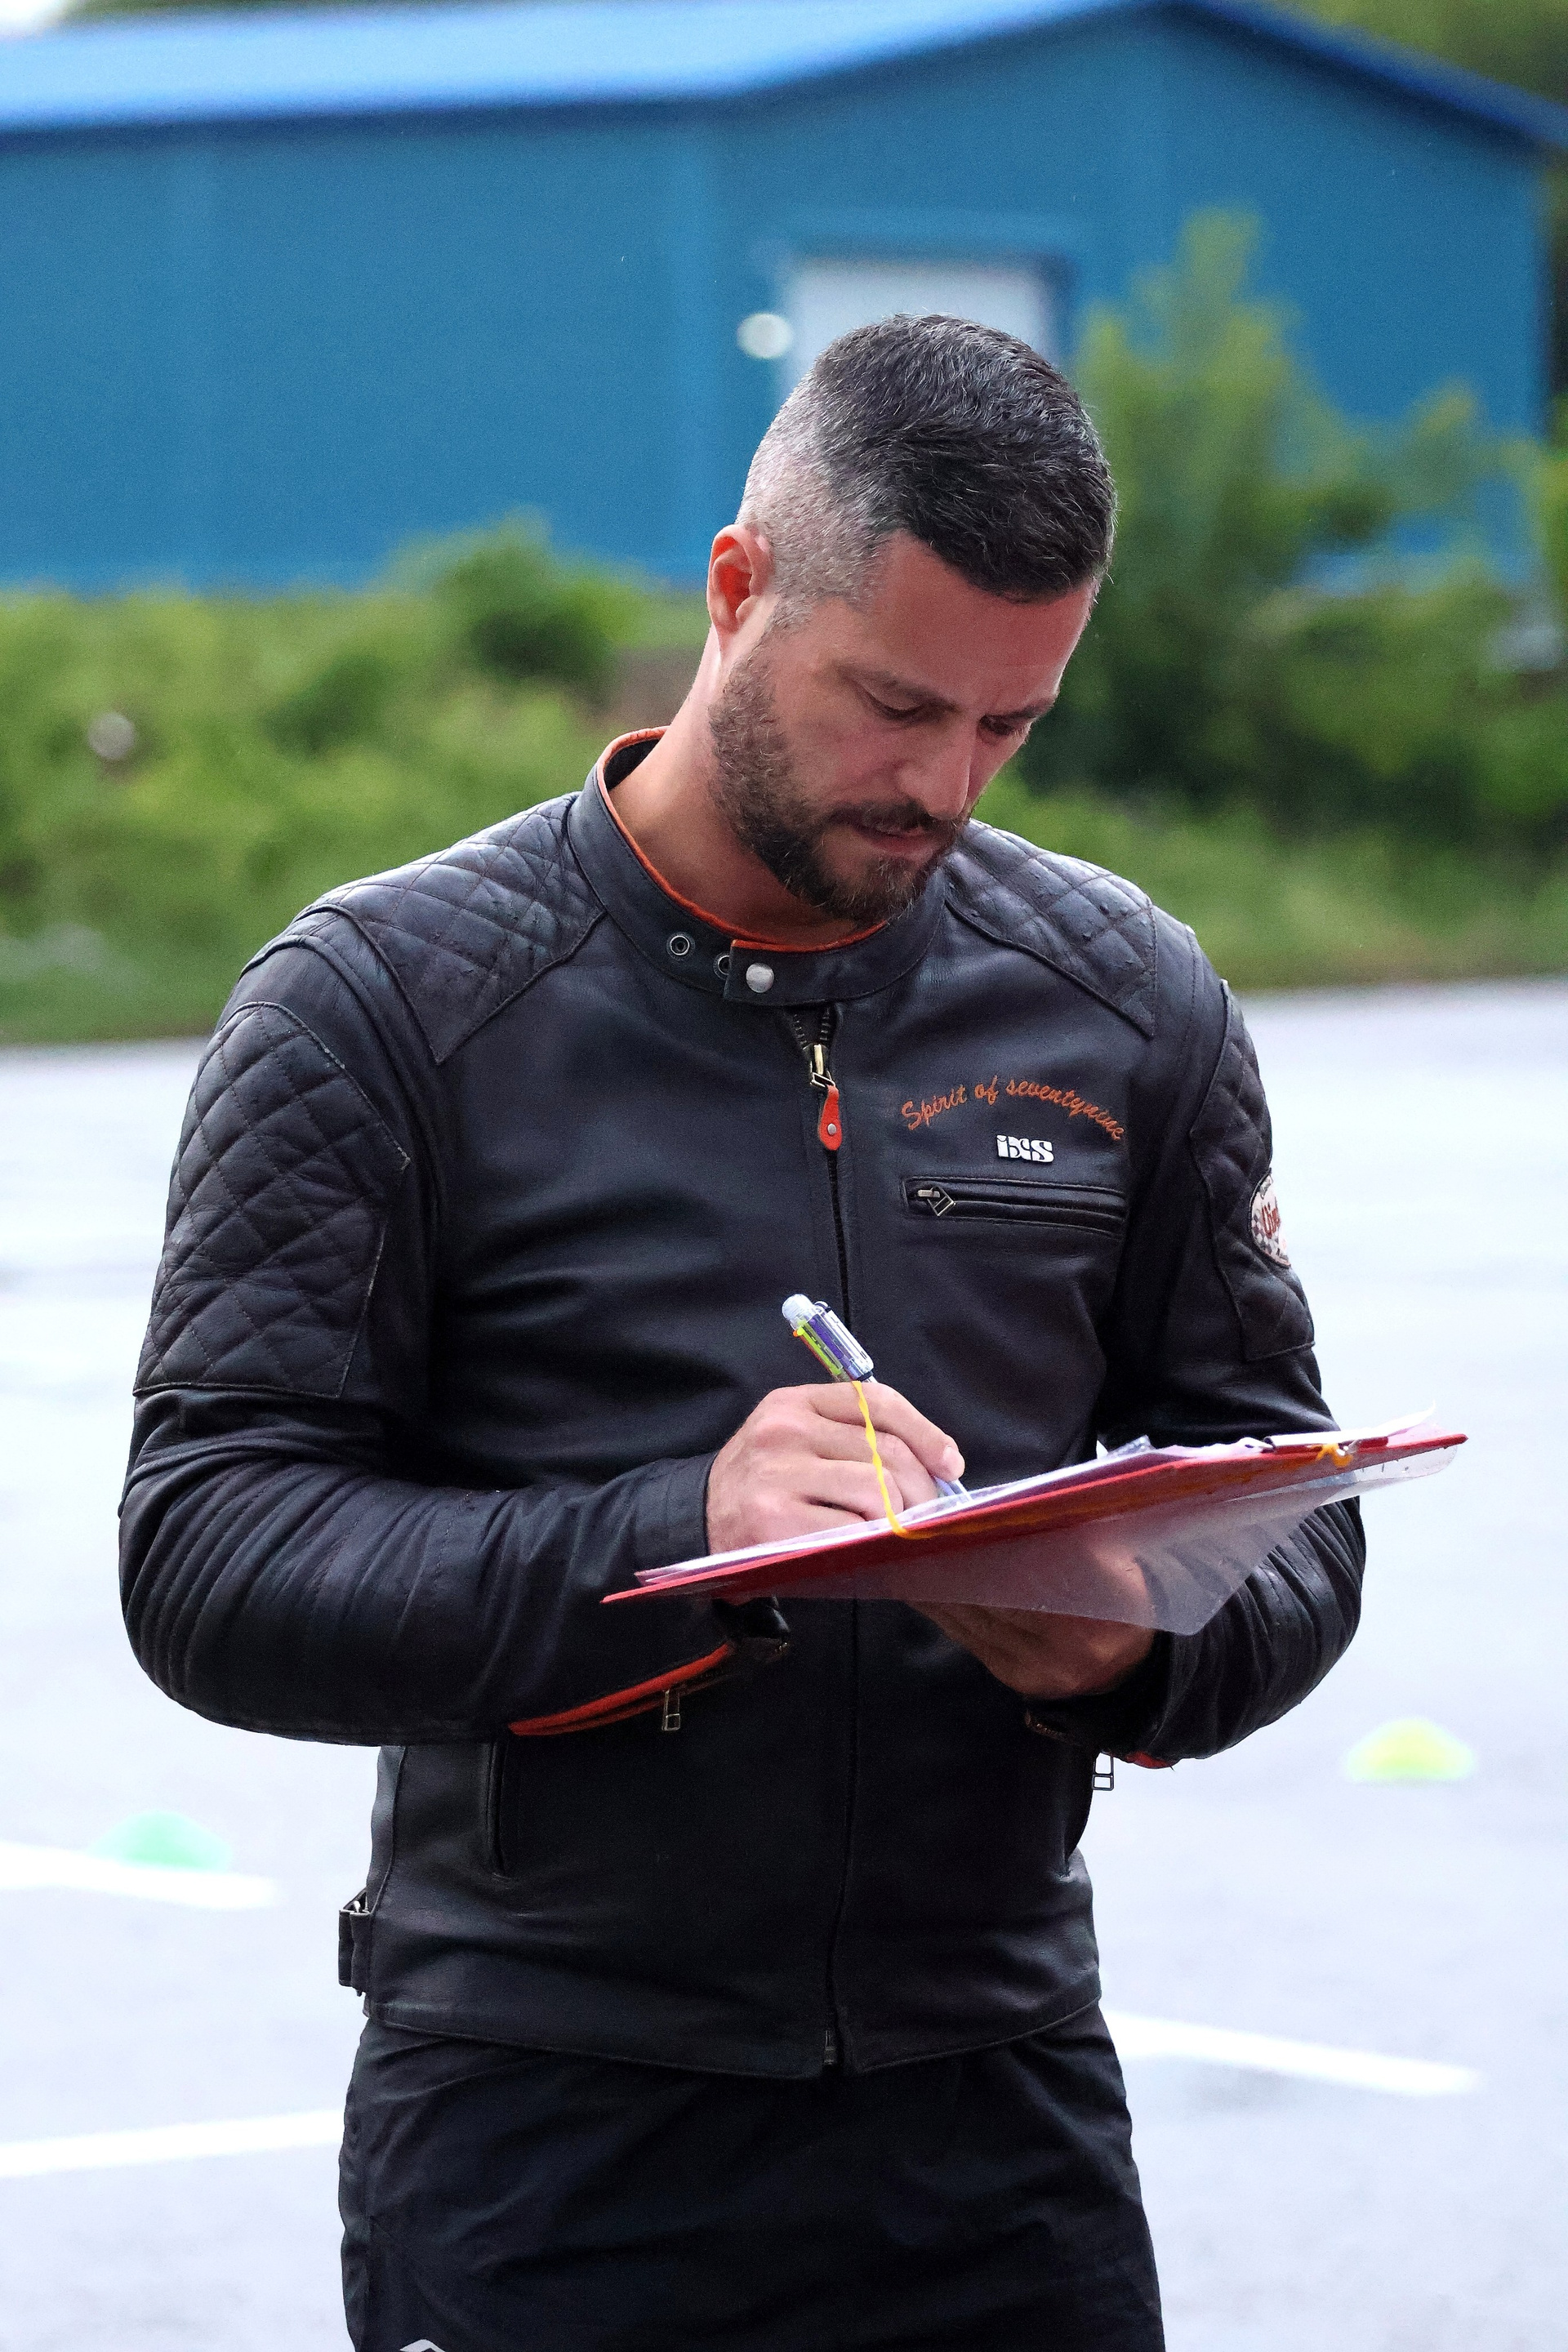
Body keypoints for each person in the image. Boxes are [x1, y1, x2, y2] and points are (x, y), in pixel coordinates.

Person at [120, 315, 1364, 2351]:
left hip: (1002, 2128)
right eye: (895, 704)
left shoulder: (1126, 1002)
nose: (942, 785)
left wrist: (1140, 1641)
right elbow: (209, 1557)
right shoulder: (383, 1005)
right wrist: (677, 1538)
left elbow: (1297, 1511)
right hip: (547, 2135)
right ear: (735, 586)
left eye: (1011, 725)